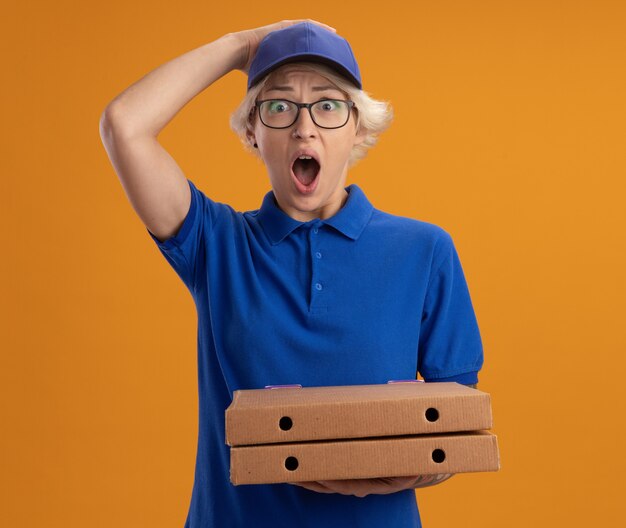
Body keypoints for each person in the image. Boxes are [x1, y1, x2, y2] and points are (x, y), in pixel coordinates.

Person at [99, 19, 484, 528]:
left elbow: (455, 430)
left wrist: (407, 472)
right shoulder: (216, 244)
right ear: (252, 132)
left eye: (327, 106)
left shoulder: (425, 250)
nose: (304, 127)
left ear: (358, 128)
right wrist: (240, 46)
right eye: (279, 107)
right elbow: (124, 125)